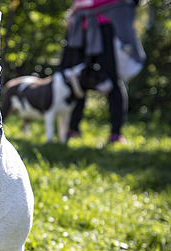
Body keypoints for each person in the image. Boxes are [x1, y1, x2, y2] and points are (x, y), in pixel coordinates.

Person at [60, 0, 145, 144]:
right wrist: (71, 13)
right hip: (81, 30)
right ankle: (73, 129)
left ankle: (116, 133)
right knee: (78, 80)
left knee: (112, 80)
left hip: (106, 29)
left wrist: (85, 5)